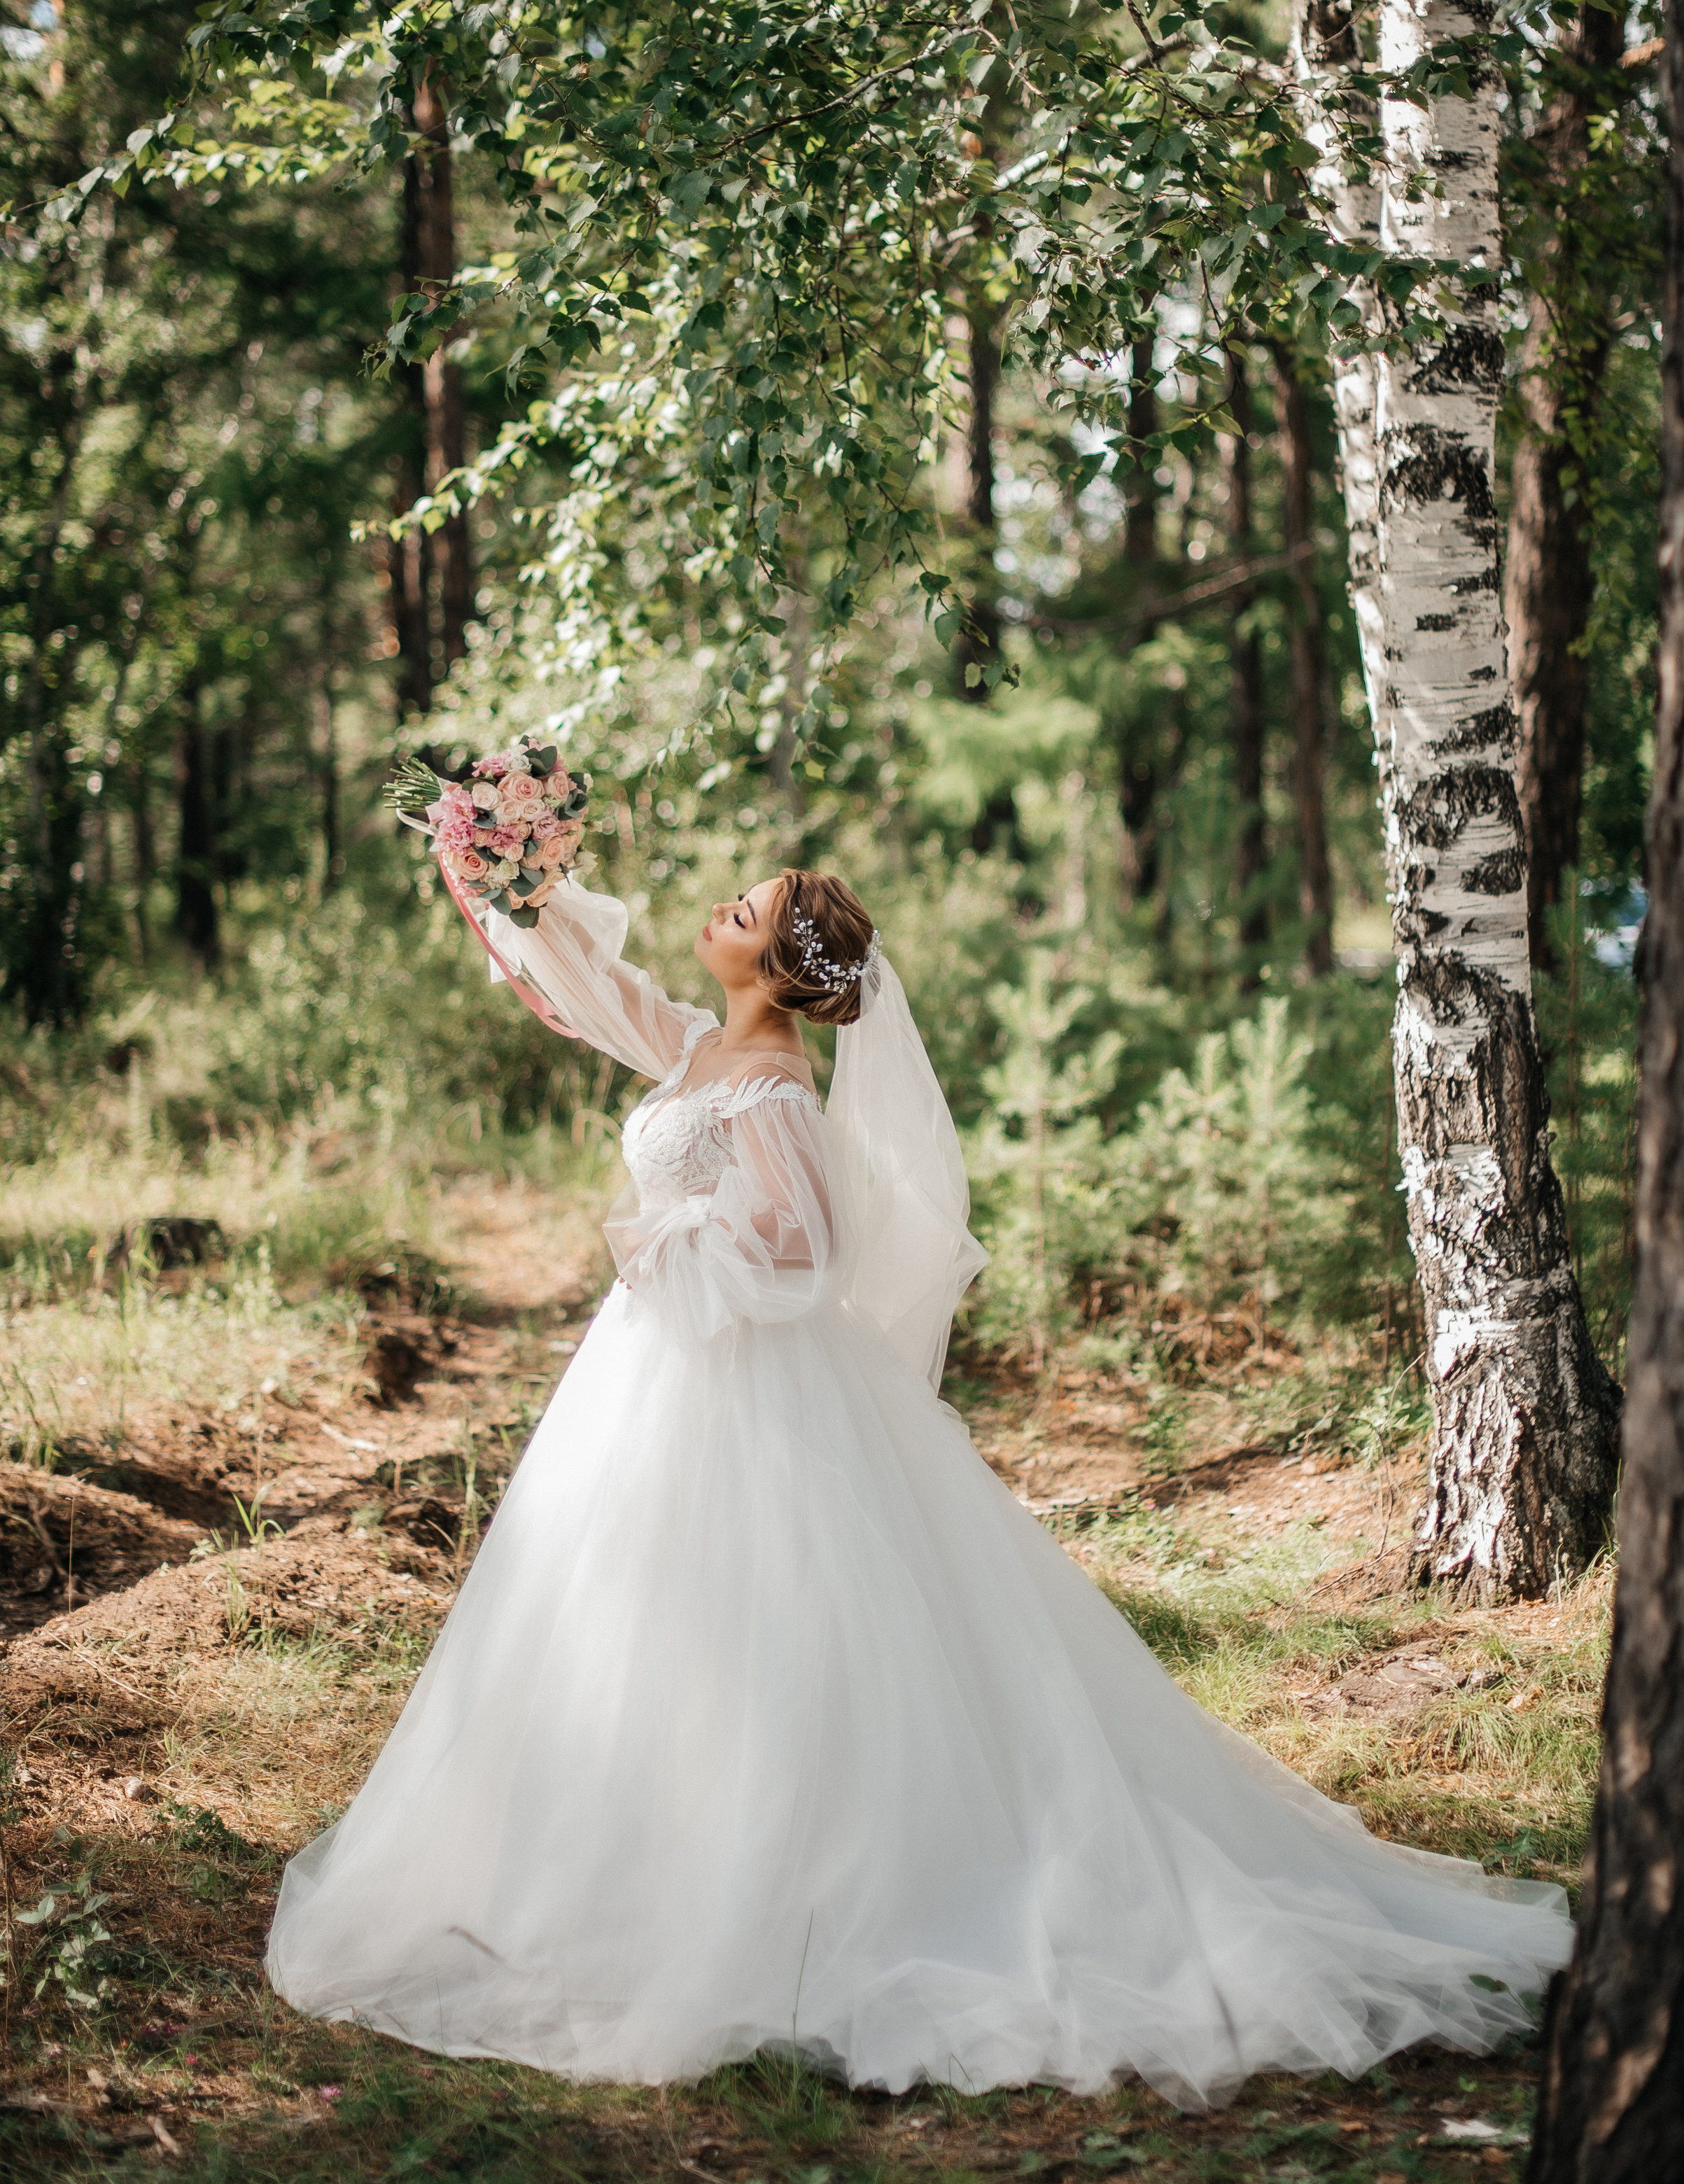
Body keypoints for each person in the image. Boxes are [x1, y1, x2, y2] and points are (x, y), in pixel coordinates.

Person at [266, 869, 1570, 2101]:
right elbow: (597, 997)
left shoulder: (773, 1085)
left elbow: (803, 1251)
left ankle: (779, 1889)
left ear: (777, 968)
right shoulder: (697, 1047)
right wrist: (517, 887)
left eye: (744, 910)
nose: (718, 910)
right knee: (620, 1617)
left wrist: (663, 1241)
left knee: (770, 1622)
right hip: (653, 1369)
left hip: (740, 1386)